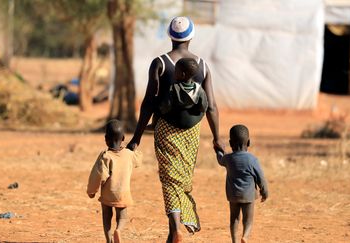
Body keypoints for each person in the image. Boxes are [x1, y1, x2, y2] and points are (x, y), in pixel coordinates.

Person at [127, 16, 223, 242]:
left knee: (169, 179)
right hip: (192, 133)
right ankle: (178, 228)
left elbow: (149, 102)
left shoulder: (160, 63)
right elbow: (212, 106)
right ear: (191, 37)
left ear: (171, 36)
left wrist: (137, 137)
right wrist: (218, 138)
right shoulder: (202, 65)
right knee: (183, 178)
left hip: (165, 130)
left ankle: (175, 228)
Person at [87, 120, 142, 243]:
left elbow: (98, 175)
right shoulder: (128, 155)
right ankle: (119, 230)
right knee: (122, 217)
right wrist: (133, 149)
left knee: (106, 217)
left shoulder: (105, 156)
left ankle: (109, 239)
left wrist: (92, 191)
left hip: (107, 194)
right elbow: (139, 160)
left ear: (106, 139)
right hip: (123, 194)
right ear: (123, 138)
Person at [216, 125, 268, 243]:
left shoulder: (228, 158)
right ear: (248, 142)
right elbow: (261, 178)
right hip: (248, 196)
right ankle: (245, 236)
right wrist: (264, 192)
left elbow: (220, 159)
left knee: (234, 219)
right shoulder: (252, 160)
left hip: (233, 195)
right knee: (248, 219)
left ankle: (234, 240)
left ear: (230, 143)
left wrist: (218, 149)